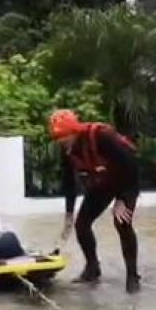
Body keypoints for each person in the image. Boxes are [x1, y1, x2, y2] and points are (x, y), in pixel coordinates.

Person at [51, 109, 142, 294]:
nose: (62, 141)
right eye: (58, 137)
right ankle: (93, 268)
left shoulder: (102, 136)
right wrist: (68, 215)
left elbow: (130, 165)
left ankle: (132, 276)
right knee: (81, 224)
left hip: (126, 180)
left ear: (75, 131)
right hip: (102, 182)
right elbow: (69, 183)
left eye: (65, 137)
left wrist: (121, 200)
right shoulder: (67, 151)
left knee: (121, 222)